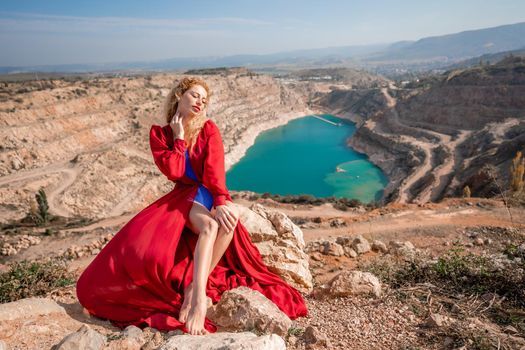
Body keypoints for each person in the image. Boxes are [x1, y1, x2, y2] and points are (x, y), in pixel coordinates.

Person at [76, 76, 308, 336]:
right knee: (206, 227)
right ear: (179, 96)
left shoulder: (208, 129)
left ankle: (191, 288)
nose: (201, 101)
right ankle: (198, 299)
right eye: (195, 95)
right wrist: (179, 137)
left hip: (209, 192)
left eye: (205, 99)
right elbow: (174, 171)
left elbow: (215, 171)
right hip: (185, 195)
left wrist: (221, 201)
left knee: (227, 223)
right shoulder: (160, 134)